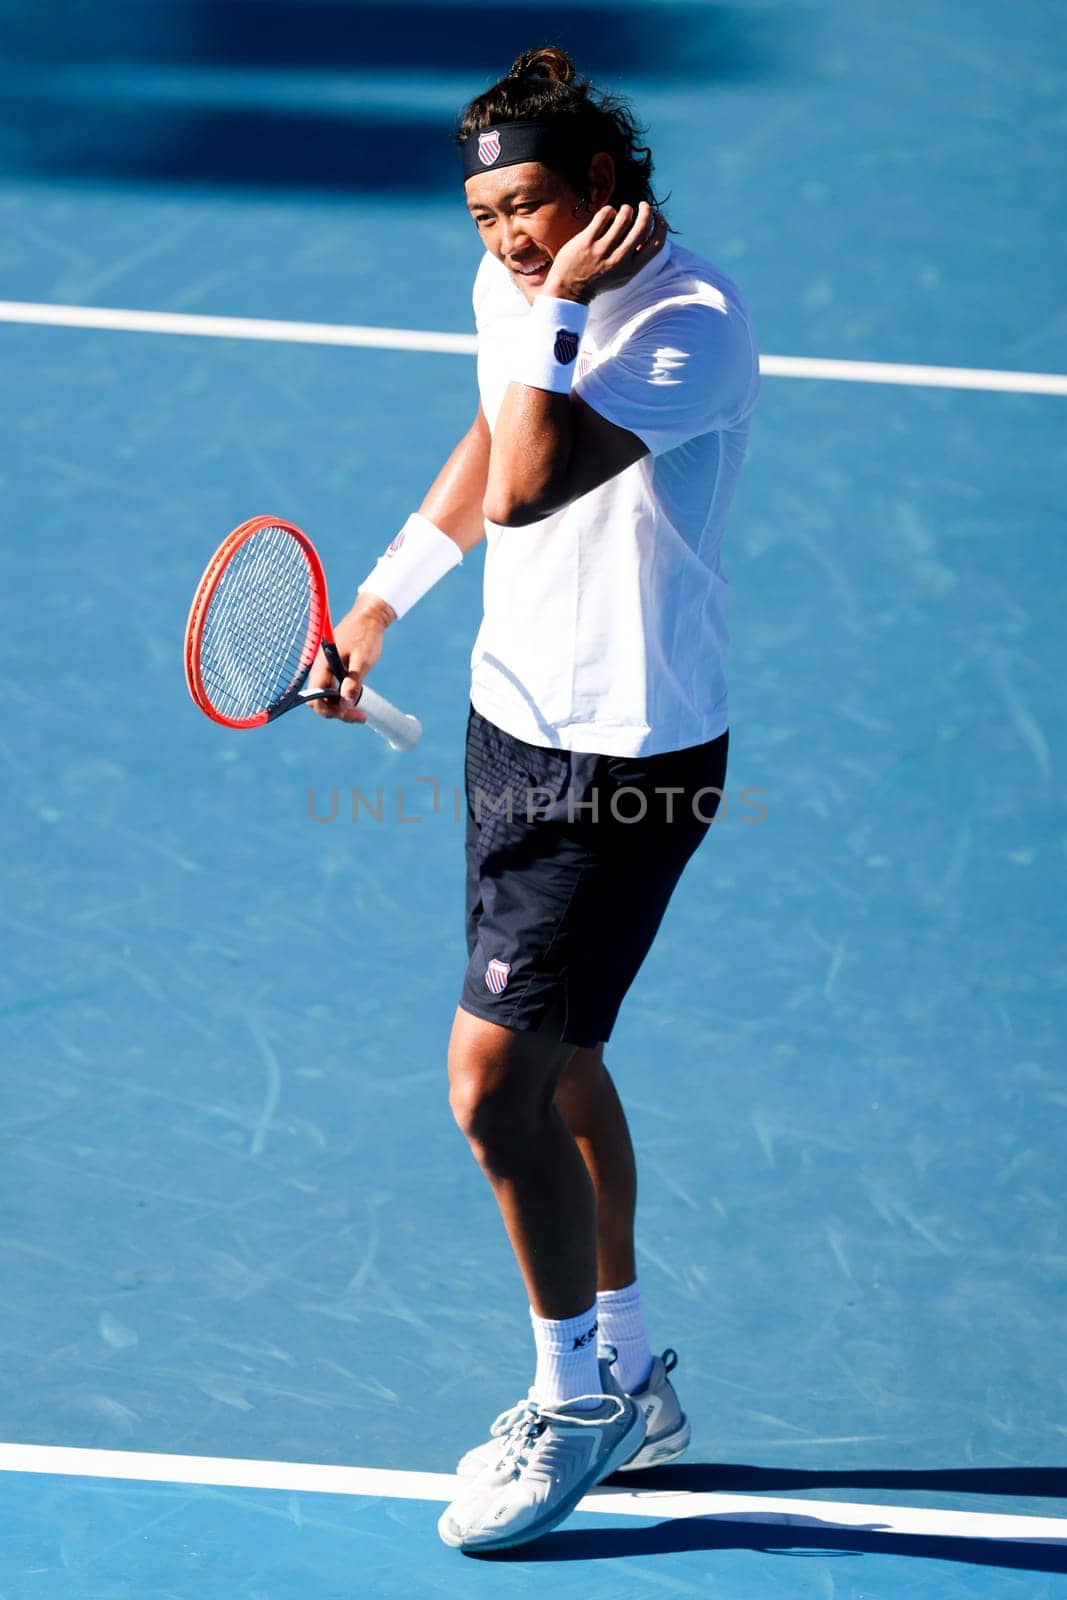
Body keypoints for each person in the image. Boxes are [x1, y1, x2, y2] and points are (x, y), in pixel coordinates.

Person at [307, 45, 759, 1553]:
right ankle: (633, 1367)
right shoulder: (525, 291)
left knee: (491, 1088)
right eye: (488, 213)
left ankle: (574, 1400)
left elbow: (531, 478)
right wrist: (381, 602)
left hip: (624, 761)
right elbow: (489, 436)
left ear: (608, 193)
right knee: (561, 1065)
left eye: (536, 205)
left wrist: (563, 311)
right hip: (513, 726)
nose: (507, 237)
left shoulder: (689, 325)